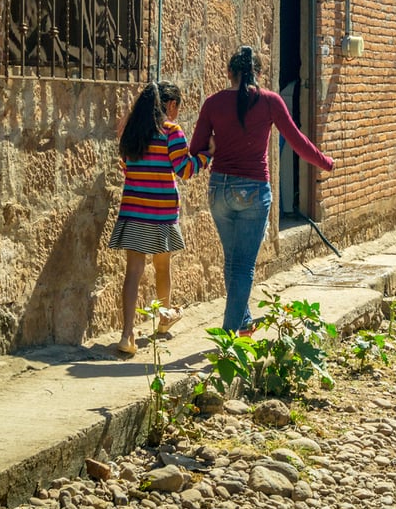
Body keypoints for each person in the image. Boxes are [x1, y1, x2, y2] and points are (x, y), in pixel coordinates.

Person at [189, 46, 334, 336]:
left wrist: (215, 145)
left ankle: (242, 322)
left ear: (229, 73)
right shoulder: (269, 101)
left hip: (219, 190)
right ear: (258, 73)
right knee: (243, 265)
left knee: (233, 261)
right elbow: (297, 141)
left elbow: (196, 149)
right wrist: (325, 162)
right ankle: (229, 336)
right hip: (253, 190)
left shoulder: (213, 103)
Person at [109, 81, 211, 355]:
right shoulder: (171, 131)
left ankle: (127, 334)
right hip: (161, 214)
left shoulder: (132, 132)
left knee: (133, 272)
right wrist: (206, 156)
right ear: (171, 105)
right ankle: (164, 318)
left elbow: (126, 166)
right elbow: (184, 169)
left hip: (133, 210)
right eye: (177, 107)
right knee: (162, 267)